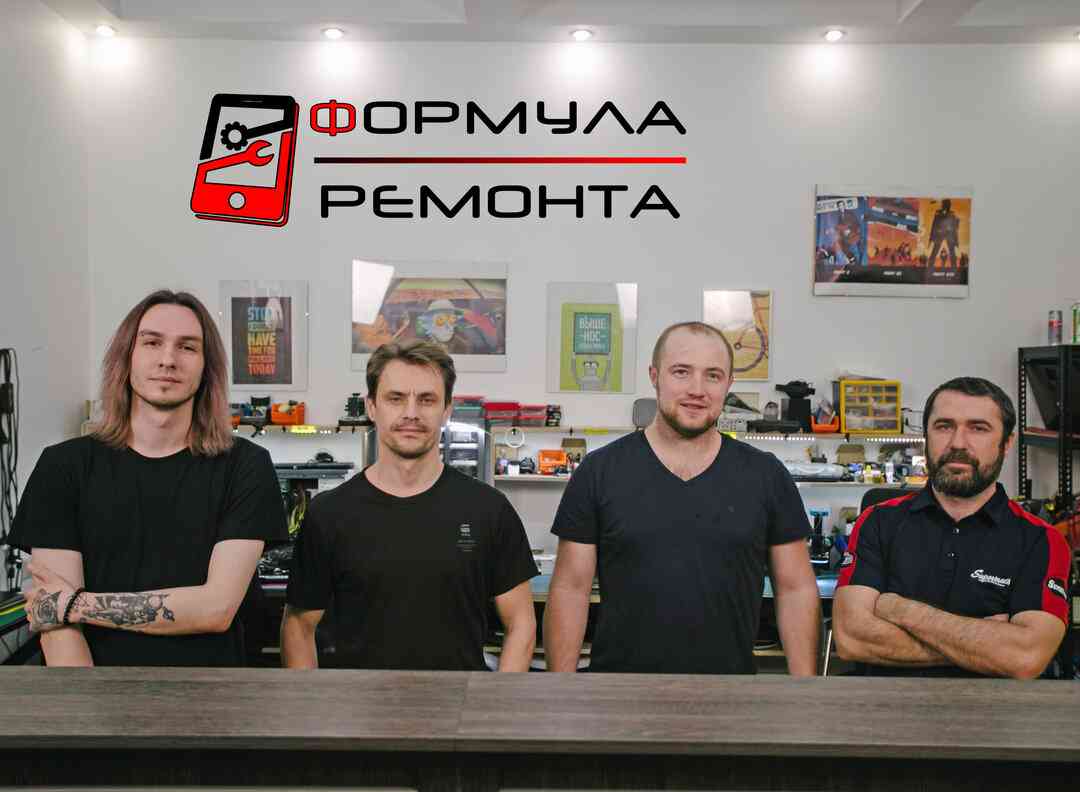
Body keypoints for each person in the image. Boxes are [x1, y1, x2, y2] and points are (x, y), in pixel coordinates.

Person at [14, 290, 286, 666]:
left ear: (207, 367)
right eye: (152, 342)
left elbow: (216, 609)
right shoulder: (62, 466)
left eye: (187, 347)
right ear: (126, 357)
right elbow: (57, 627)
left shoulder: (246, 465)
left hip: (213, 697)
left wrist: (75, 604)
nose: (168, 359)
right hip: (90, 694)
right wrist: (87, 703)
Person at [544, 322, 821, 675]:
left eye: (713, 376)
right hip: (619, 693)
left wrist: (805, 691)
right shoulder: (599, 472)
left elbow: (796, 589)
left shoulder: (766, 475)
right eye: (681, 372)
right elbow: (570, 589)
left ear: (729, 384)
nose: (697, 390)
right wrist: (560, 690)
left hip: (731, 694)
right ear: (654, 376)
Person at [281, 340, 537, 670]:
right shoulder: (328, 515)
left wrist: (495, 700)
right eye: (396, 398)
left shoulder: (489, 510)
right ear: (372, 407)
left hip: (458, 702)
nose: (411, 413)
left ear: (447, 410)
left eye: (427, 400)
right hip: (356, 703)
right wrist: (314, 702)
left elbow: (521, 624)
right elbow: (298, 627)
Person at [833, 377, 1071, 678]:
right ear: (926, 436)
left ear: (1006, 443)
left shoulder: (1042, 540)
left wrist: (899, 609)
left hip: (995, 710)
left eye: (978, 428)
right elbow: (852, 639)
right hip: (888, 706)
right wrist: (985, 644)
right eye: (944, 426)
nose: (958, 443)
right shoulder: (878, 521)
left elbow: (1024, 657)